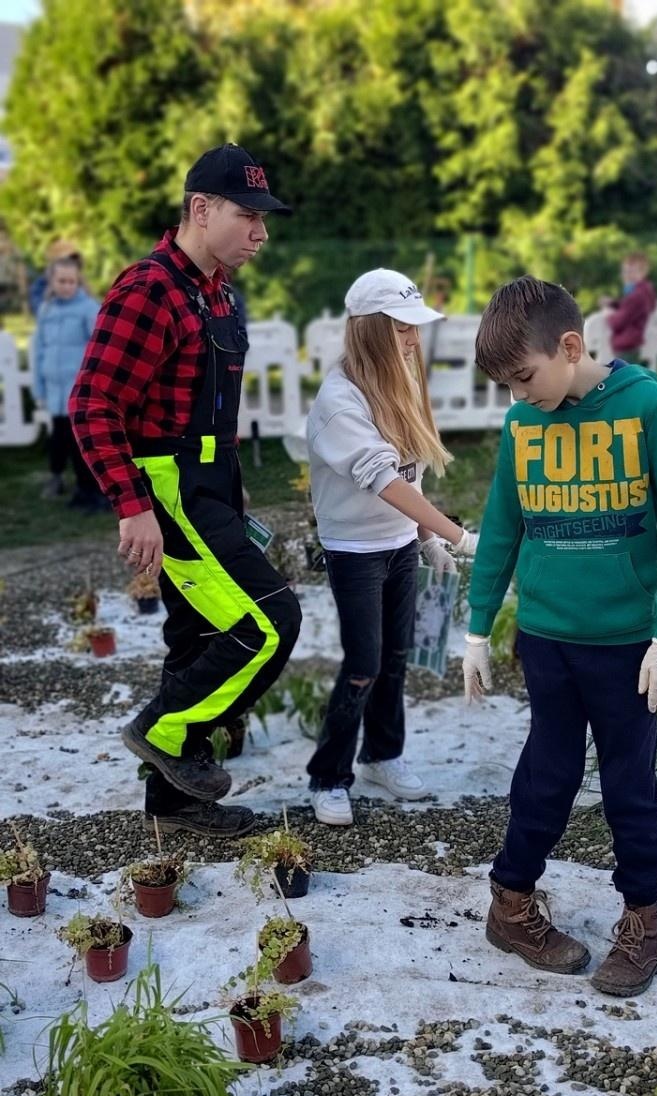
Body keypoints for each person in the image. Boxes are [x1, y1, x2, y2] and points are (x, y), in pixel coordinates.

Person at [69, 143, 302, 839]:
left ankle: (174, 805)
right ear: (200, 210)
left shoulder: (219, 292)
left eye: (265, 219)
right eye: (247, 215)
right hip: (169, 489)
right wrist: (133, 504)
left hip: (211, 483)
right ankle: (161, 730)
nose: (260, 232)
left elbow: (209, 412)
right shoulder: (149, 289)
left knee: (195, 636)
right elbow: (93, 404)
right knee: (268, 623)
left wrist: (231, 494)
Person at [463, 274, 657, 997]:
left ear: (570, 345)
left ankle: (642, 922)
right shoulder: (523, 423)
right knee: (543, 778)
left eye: (524, 377)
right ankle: (509, 903)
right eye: (506, 386)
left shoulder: (646, 405)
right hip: (547, 641)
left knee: (628, 786)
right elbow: (501, 526)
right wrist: (474, 628)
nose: (518, 396)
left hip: (626, 647)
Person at [305, 268, 478, 827]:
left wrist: (426, 538)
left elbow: (413, 472)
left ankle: (384, 755)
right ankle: (328, 776)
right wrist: (459, 535)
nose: (413, 339)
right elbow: (384, 478)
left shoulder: (399, 382)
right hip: (354, 550)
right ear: (372, 329)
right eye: (403, 328)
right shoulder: (338, 402)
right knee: (363, 664)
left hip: (400, 545)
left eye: (415, 328)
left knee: (396, 659)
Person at [32, 256, 102, 507]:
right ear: (51, 281)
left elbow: (98, 347)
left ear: (78, 282)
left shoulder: (87, 309)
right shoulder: (46, 310)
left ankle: (88, 487)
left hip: (78, 390)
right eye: (61, 281)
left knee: (78, 440)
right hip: (54, 390)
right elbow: (38, 348)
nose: (67, 286)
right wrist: (38, 384)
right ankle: (57, 477)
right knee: (57, 438)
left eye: (72, 281)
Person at [600, 251, 657, 361]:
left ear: (643, 273)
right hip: (634, 344)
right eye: (625, 272)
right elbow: (631, 309)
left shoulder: (636, 296)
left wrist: (608, 315)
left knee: (622, 375)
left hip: (627, 346)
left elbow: (617, 323)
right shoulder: (646, 291)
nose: (626, 276)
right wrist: (613, 304)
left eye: (631, 272)